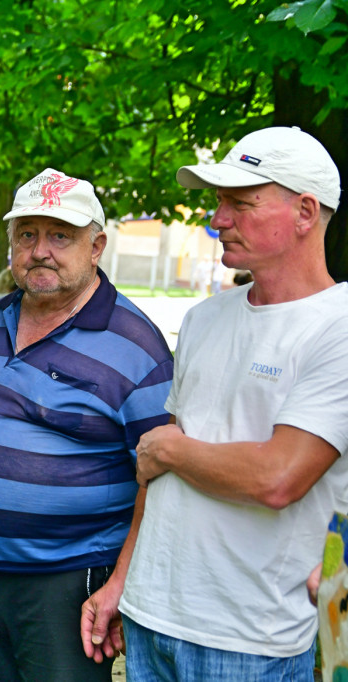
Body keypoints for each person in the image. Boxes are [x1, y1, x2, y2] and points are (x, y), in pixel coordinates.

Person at [0, 168, 173, 680]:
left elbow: (161, 479)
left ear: (96, 245)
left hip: (69, 585)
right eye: (27, 234)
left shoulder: (136, 345)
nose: (40, 250)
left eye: (61, 235)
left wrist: (122, 583)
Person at [117, 126, 348, 680]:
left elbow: (278, 477)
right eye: (219, 203)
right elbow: (156, 479)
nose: (217, 219)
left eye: (240, 203)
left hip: (248, 637)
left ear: (305, 212)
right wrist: (123, 581)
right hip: (150, 617)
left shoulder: (337, 327)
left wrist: (172, 450)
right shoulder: (203, 319)